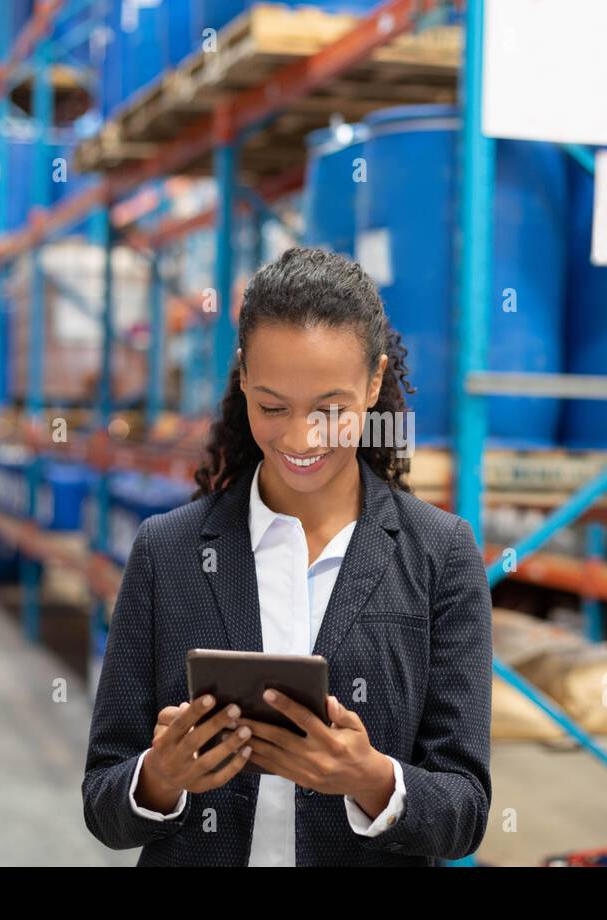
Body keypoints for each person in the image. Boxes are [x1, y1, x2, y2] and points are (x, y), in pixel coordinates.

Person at [82, 247, 492, 866]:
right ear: (243, 375)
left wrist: (372, 778)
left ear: (374, 382)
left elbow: (464, 814)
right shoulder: (168, 551)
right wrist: (159, 778)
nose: (301, 440)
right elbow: (102, 802)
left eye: (331, 410)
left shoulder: (440, 556)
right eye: (273, 407)